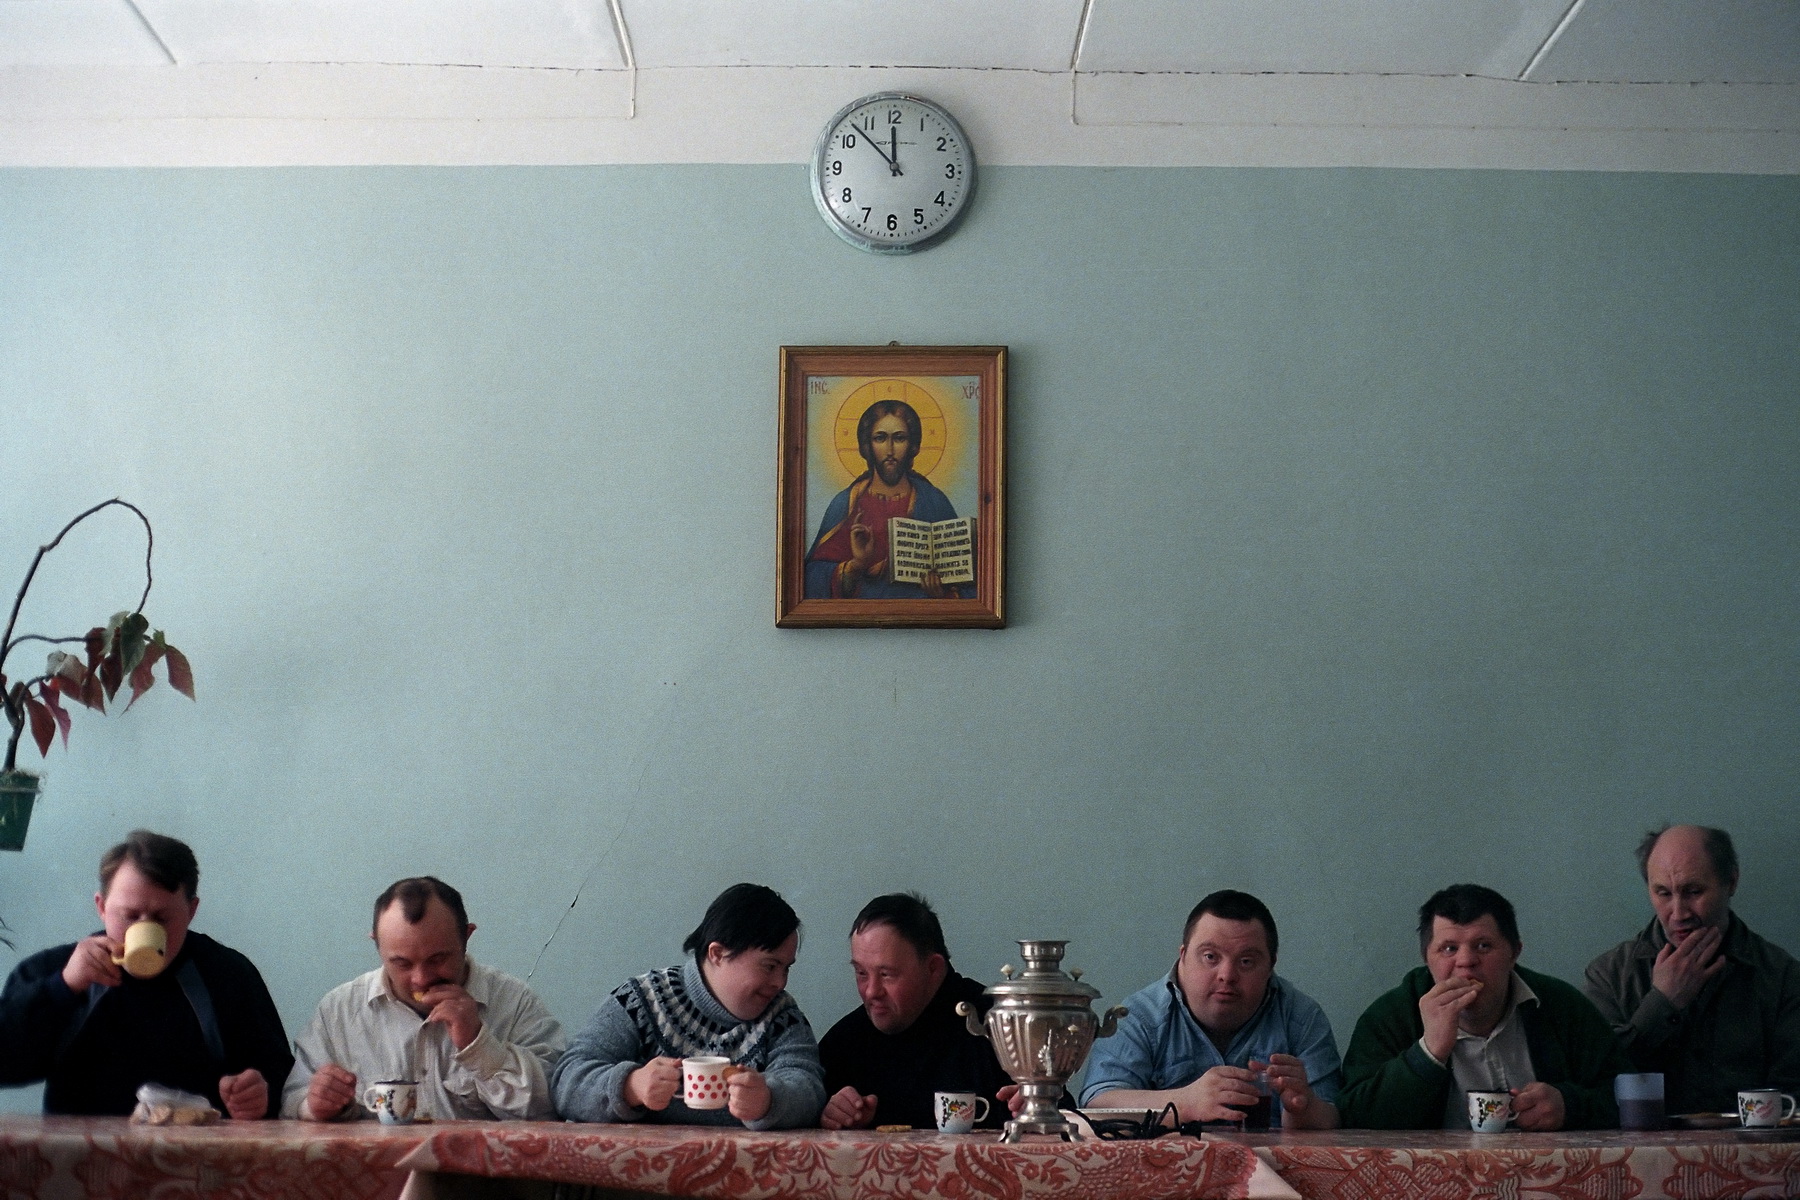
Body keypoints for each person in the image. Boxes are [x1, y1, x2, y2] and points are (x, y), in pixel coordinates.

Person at [0, 829, 291, 1117]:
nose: (144, 927)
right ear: (101, 907)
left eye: (162, 918)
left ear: (191, 911)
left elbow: (282, 1080)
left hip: (197, 1155)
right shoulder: (54, 971)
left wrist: (261, 1094)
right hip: (81, 1157)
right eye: (130, 915)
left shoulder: (227, 975)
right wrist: (63, 986)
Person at [1340, 883, 1629, 1130]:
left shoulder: (1563, 1006)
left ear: (1514, 953)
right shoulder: (1389, 1016)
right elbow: (1354, 1117)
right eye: (1449, 948)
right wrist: (1428, 1052)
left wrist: (1569, 1106)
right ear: (1426, 957)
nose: (1466, 962)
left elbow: (1629, 1096)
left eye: (1483, 946)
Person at [282, 876, 565, 1121]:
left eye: (438, 959)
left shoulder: (514, 1004)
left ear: (467, 937)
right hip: (377, 1178)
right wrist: (314, 1105)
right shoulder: (339, 1011)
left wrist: (479, 1044)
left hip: (482, 1181)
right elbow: (293, 1101)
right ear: (377, 946)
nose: (421, 978)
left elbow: (553, 1107)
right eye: (402, 963)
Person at [552, 882, 825, 1129]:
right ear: (717, 954)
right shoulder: (641, 1000)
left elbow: (809, 1087)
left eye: (786, 968)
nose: (780, 982)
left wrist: (769, 1100)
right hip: (639, 1175)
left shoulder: (782, 1016)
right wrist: (630, 1086)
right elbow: (567, 1080)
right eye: (770, 966)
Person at [1080, 890, 1342, 1129]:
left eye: (1246, 961)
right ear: (1183, 956)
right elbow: (1097, 1106)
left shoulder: (1302, 1018)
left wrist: (1302, 1108)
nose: (1227, 975)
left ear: (1271, 965)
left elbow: (1333, 1119)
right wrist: (1185, 1102)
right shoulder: (1138, 1015)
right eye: (1210, 957)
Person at [1583, 824, 1800, 1114]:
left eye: (1694, 891)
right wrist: (1663, 1003)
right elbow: (1593, 1082)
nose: (1679, 913)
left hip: (1751, 1153)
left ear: (1731, 881)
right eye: (1663, 893)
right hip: (1638, 1155)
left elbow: (1792, 1096)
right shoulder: (1608, 975)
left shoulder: (1783, 976)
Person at [818, 892, 1009, 1130]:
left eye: (886, 974)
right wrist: (829, 1114)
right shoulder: (844, 1044)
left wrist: (1031, 1107)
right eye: (861, 973)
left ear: (933, 968)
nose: (870, 992)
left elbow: (1060, 1118)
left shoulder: (1002, 1026)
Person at [803, 398, 968, 599]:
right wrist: (856, 565)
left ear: (913, 445)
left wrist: (942, 593)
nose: (890, 451)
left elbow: (967, 584)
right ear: (867, 445)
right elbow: (809, 581)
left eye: (899, 438)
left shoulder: (934, 502)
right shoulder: (846, 503)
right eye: (880, 438)